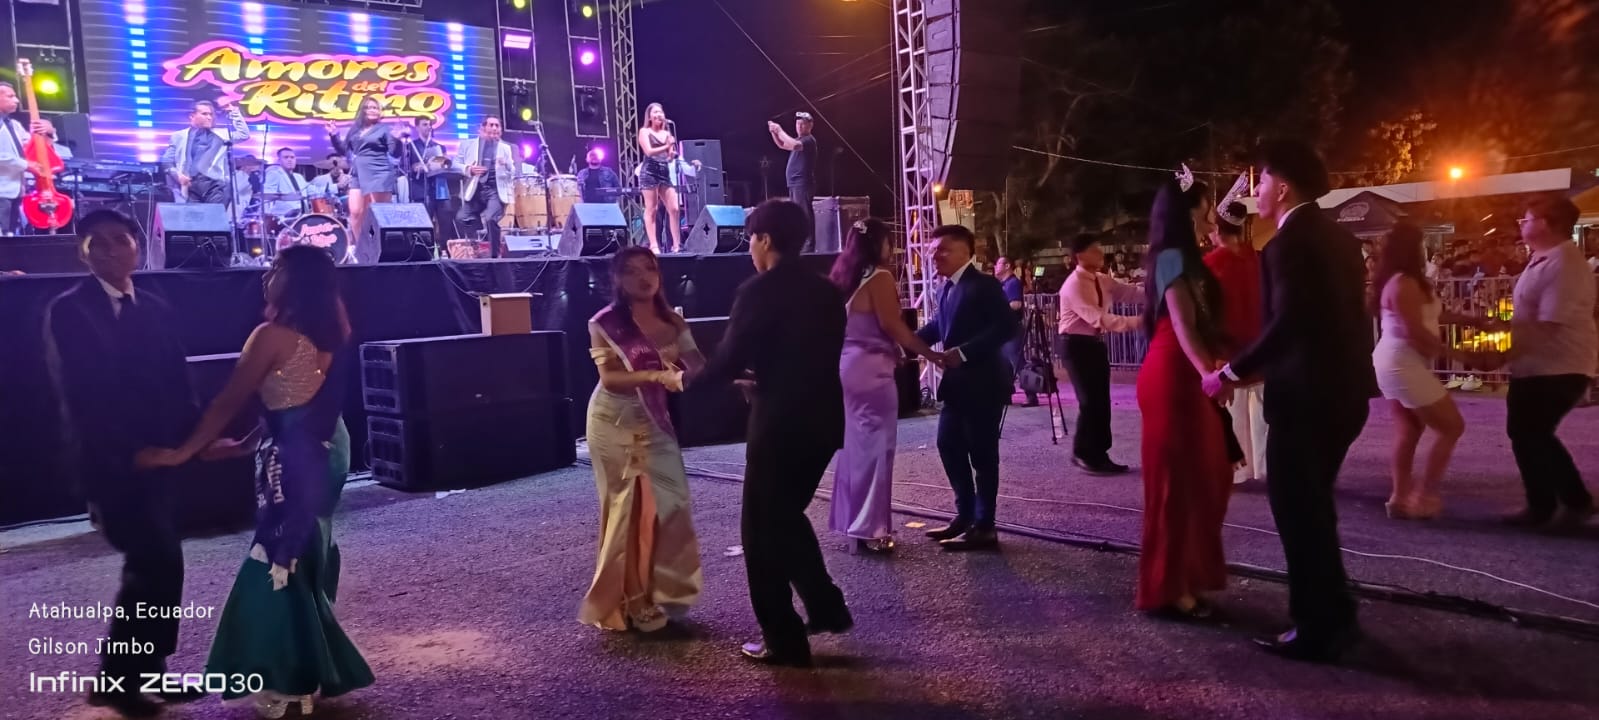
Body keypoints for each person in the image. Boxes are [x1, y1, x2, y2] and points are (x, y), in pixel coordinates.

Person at [137, 245, 374, 717]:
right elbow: (296, 401)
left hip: (295, 456)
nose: (266, 276)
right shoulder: (334, 331)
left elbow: (229, 400)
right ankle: (308, 670)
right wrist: (246, 444)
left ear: (294, 281)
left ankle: (287, 680)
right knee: (304, 552)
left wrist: (182, 452)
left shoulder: (270, 337)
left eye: (276, 268)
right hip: (329, 446)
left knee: (276, 557)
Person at [1202, 139, 1376, 663]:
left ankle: (1316, 626)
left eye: (1260, 182)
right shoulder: (1339, 238)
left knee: (1300, 515)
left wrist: (1230, 372)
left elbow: (1290, 322)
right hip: (1343, 393)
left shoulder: (1288, 243)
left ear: (1282, 187)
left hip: (1306, 398)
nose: (1255, 193)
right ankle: (1335, 614)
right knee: (1315, 510)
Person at [41, 210, 205, 717]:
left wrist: (199, 440)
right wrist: (131, 452)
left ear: (138, 245)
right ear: (82, 253)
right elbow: (83, 395)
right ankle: (117, 681)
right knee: (152, 562)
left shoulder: (154, 305)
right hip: (112, 461)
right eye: (99, 243)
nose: (111, 250)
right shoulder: (70, 310)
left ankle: (148, 671)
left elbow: (178, 381)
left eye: (120, 240)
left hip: (162, 457)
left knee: (162, 564)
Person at [697, 199, 852, 667]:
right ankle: (825, 607)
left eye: (751, 239)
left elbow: (728, 358)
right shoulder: (827, 290)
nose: (750, 248)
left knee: (761, 533)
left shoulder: (758, 290)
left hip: (780, 424)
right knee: (785, 517)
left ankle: (784, 638)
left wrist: (683, 383)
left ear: (764, 239)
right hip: (823, 420)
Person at [580, 247, 705, 632]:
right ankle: (632, 599)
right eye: (632, 272)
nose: (643, 277)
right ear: (618, 280)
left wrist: (733, 379)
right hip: (613, 422)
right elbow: (610, 379)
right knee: (628, 510)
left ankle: (663, 590)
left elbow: (698, 366)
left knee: (671, 503)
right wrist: (656, 376)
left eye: (649, 269)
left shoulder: (673, 321)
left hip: (654, 420)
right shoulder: (605, 323)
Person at [1135, 171, 1234, 620]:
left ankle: (1187, 577)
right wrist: (1210, 374)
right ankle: (1170, 587)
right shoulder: (1172, 257)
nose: (1213, 215)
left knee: (1208, 477)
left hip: (1189, 371)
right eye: (1207, 206)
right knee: (1179, 485)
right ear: (1188, 212)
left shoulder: (1187, 257)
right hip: (1175, 375)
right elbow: (1182, 323)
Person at [827, 218, 943, 554]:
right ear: (878, 243)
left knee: (855, 448)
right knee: (876, 450)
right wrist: (930, 354)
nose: (892, 248)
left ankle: (853, 523)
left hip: (849, 366)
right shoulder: (879, 277)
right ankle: (871, 529)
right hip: (873, 372)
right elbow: (893, 325)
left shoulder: (846, 278)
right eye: (889, 241)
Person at [1491, 196, 1597, 530]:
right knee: (1527, 432)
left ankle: (1570, 502)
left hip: (1558, 365)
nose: (1522, 225)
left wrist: (1502, 355)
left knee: (1532, 432)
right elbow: (1532, 317)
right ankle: (1545, 503)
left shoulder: (1563, 264)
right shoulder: (1544, 259)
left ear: (1548, 223)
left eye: (1527, 219)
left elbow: (1549, 324)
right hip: (1537, 363)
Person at [916, 225, 1020, 551]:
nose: (935, 255)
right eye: (933, 250)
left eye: (943, 249)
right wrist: (907, 342)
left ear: (966, 251)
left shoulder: (984, 285)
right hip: (957, 386)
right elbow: (940, 326)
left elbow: (1007, 326)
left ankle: (985, 526)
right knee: (948, 445)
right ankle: (965, 515)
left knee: (982, 455)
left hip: (984, 383)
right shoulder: (946, 288)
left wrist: (963, 353)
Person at [1370, 223, 1466, 520]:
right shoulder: (1403, 284)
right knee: (1452, 426)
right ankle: (1423, 495)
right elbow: (1415, 332)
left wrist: (1474, 321)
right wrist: (1462, 355)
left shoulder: (1404, 282)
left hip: (1399, 361)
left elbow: (1431, 315)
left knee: (1409, 429)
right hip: (1403, 363)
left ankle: (1400, 497)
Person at [1058, 233, 1144, 475]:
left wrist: (1161, 289)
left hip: (1094, 343)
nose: (1100, 253)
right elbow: (1098, 318)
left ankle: (1099, 453)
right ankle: (1084, 453)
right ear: (1079, 256)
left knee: (1101, 400)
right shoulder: (1074, 285)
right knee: (1089, 400)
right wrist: (1140, 322)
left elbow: (1130, 292)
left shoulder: (1102, 279)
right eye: (1094, 249)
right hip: (1075, 345)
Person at [1204, 196, 1268, 484]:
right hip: (1261, 349)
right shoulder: (1257, 260)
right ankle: (1263, 467)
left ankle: (1236, 470)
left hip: (1228, 353)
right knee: (1261, 415)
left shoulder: (1211, 264)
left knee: (1233, 413)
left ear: (1218, 230)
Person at [327, 97, 405, 263]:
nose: (372, 110)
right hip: (358, 172)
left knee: (378, 213)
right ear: (362, 110)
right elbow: (343, 150)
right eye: (369, 107)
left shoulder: (383, 129)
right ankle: (362, 249)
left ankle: (381, 249)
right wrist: (333, 135)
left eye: (375, 108)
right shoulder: (355, 129)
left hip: (379, 171)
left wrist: (398, 140)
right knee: (355, 212)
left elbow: (395, 153)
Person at [161, 98, 250, 206]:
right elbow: (167, 160)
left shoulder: (222, 134)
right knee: (194, 215)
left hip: (216, 186)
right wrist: (178, 175)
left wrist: (233, 112)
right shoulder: (179, 136)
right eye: (204, 114)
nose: (209, 117)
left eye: (211, 114)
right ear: (192, 116)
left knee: (214, 215)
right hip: (191, 186)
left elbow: (243, 134)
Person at [455, 115, 517, 258]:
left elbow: (513, 172)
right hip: (476, 190)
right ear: (483, 128)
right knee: (461, 218)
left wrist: (507, 164)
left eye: (497, 125)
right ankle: (477, 246)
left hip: (495, 191)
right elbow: (455, 164)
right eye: (491, 125)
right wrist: (469, 169)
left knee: (490, 218)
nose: (494, 128)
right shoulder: (468, 145)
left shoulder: (505, 148)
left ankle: (494, 255)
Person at [0, 82, 54, 234]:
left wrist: (48, 132)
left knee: (10, 235)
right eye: (10, 96)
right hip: (2, 190)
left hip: (15, 189)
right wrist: (25, 164)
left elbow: (33, 146)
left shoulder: (14, 125)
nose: (16, 100)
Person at [767, 112, 818, 252]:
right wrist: (774, 133)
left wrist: (779, 130)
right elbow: (783, 145)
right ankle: (801, 244)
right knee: (798, 214)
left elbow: (794, 145)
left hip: (802, 183)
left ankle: (809, 246)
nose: (799, 126)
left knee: (804, 213)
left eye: (803, 124)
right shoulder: (799, 140)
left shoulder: (808, 140)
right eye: (797, 124)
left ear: (810, 125)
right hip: (794, 183)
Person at [638, 103, 683, 254]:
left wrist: (672, 153)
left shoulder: (667, 134)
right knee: (652, 209)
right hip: (649, 171)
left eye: (660, 112)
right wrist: (666, 146)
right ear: (650, 117)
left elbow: (669, 158)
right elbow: (649, 152)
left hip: (664, 172)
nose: (658, 115)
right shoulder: (644, 131)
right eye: (655, 112)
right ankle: (654, 245)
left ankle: (676, 245)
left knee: (674, 208)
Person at [994, 256, 1036, 406]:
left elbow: (1016, 304)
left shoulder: (1012, 283)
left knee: (1017, 362)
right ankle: (1006, 395)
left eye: (998, 264)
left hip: (1012, 328)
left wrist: (997, 308)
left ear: (1007, 266)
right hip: (1005, 329)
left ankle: (1031, 395)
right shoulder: (1004, 284)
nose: (995, 267)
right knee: (1004, 362)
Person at [399, 116, 450, 226]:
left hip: (439, 190)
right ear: (417, 127)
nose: (428, 127)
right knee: (424, 224)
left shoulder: (440, 147)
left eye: (429, 124)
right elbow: (405, 167)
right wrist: (417, 167)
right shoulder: (410, 146)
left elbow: (447, 165)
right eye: (424, 124)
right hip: (420, 190)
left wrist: (445, 163)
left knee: (446, 223)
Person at [261, 147, 309, 222]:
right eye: (286, 157)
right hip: (284, 219)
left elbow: (311, 189)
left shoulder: (299, 177)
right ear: (279, 160)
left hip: (302, 217)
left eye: (292, 157)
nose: (290, 160)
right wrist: (267, 218)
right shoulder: (274, 174)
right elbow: (267, 195)